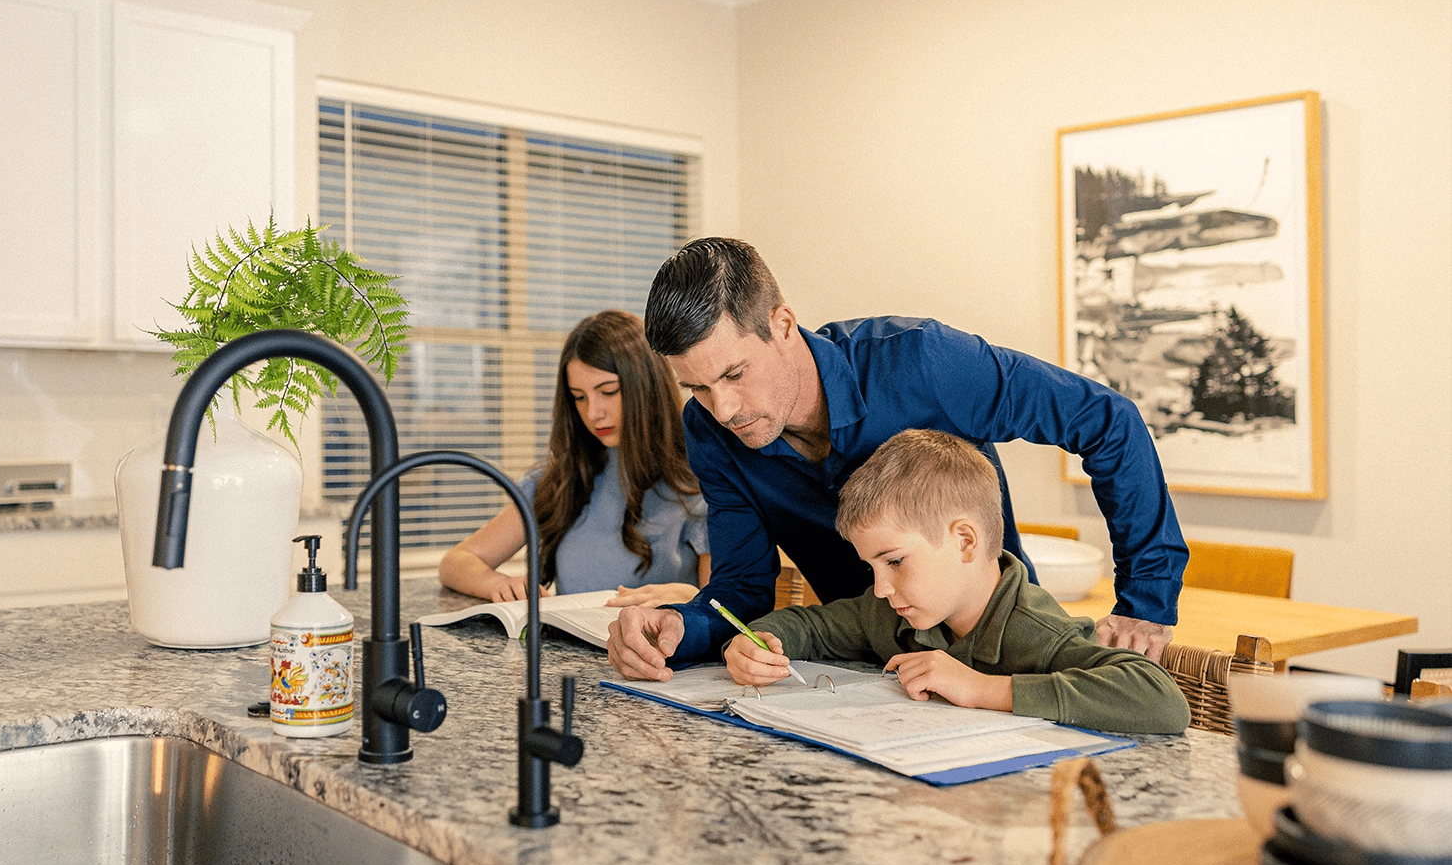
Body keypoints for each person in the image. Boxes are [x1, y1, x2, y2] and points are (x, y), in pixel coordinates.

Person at [606, 237, 1188, 681]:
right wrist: (684, 628)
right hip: (864, 673)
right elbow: (743, 585)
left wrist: (1146, 601)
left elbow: (1107, 421)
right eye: (698, 389)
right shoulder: (708, 431)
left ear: (782, 325)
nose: (724, 409)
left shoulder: (924, 365)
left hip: (999, 651)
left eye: (734, 374)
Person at [723, 430, 1190, 734]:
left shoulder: (1036, 630)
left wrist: (984, 689)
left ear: (965, 541)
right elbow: (814, 627)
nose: (881, 588)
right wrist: (762, 641)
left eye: (895, 562)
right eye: (872, 569)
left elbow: (1160, 698)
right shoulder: (886, 612)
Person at [439, 309, 709, 606]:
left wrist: (690, 597)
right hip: (567, 651)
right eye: (579, 397)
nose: (593, 413)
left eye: (608, 392)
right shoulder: (560, 480)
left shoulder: (701, 481)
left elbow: (725, 607)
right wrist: (498, 584)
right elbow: (457, 561)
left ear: (646, 388)